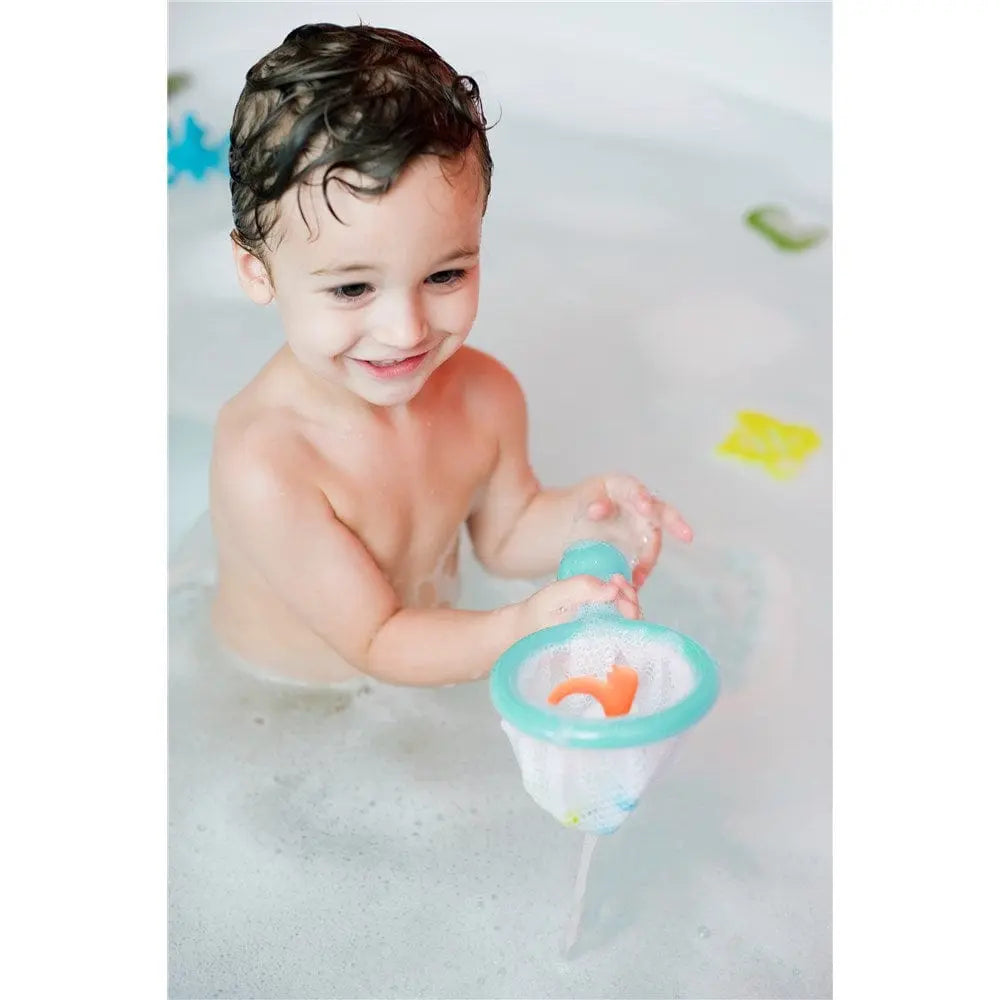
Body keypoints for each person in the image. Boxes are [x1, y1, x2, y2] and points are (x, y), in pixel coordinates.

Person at [210, 22, 692, 687]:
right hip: (281, 700)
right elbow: (377, 639)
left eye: (444, 275)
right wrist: (520, 628)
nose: (405, 330)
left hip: (418, 665)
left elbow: (505, 536)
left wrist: (583, 520)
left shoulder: (485, 395)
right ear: (257, 271)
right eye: (352, 288)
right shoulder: (268, 462)